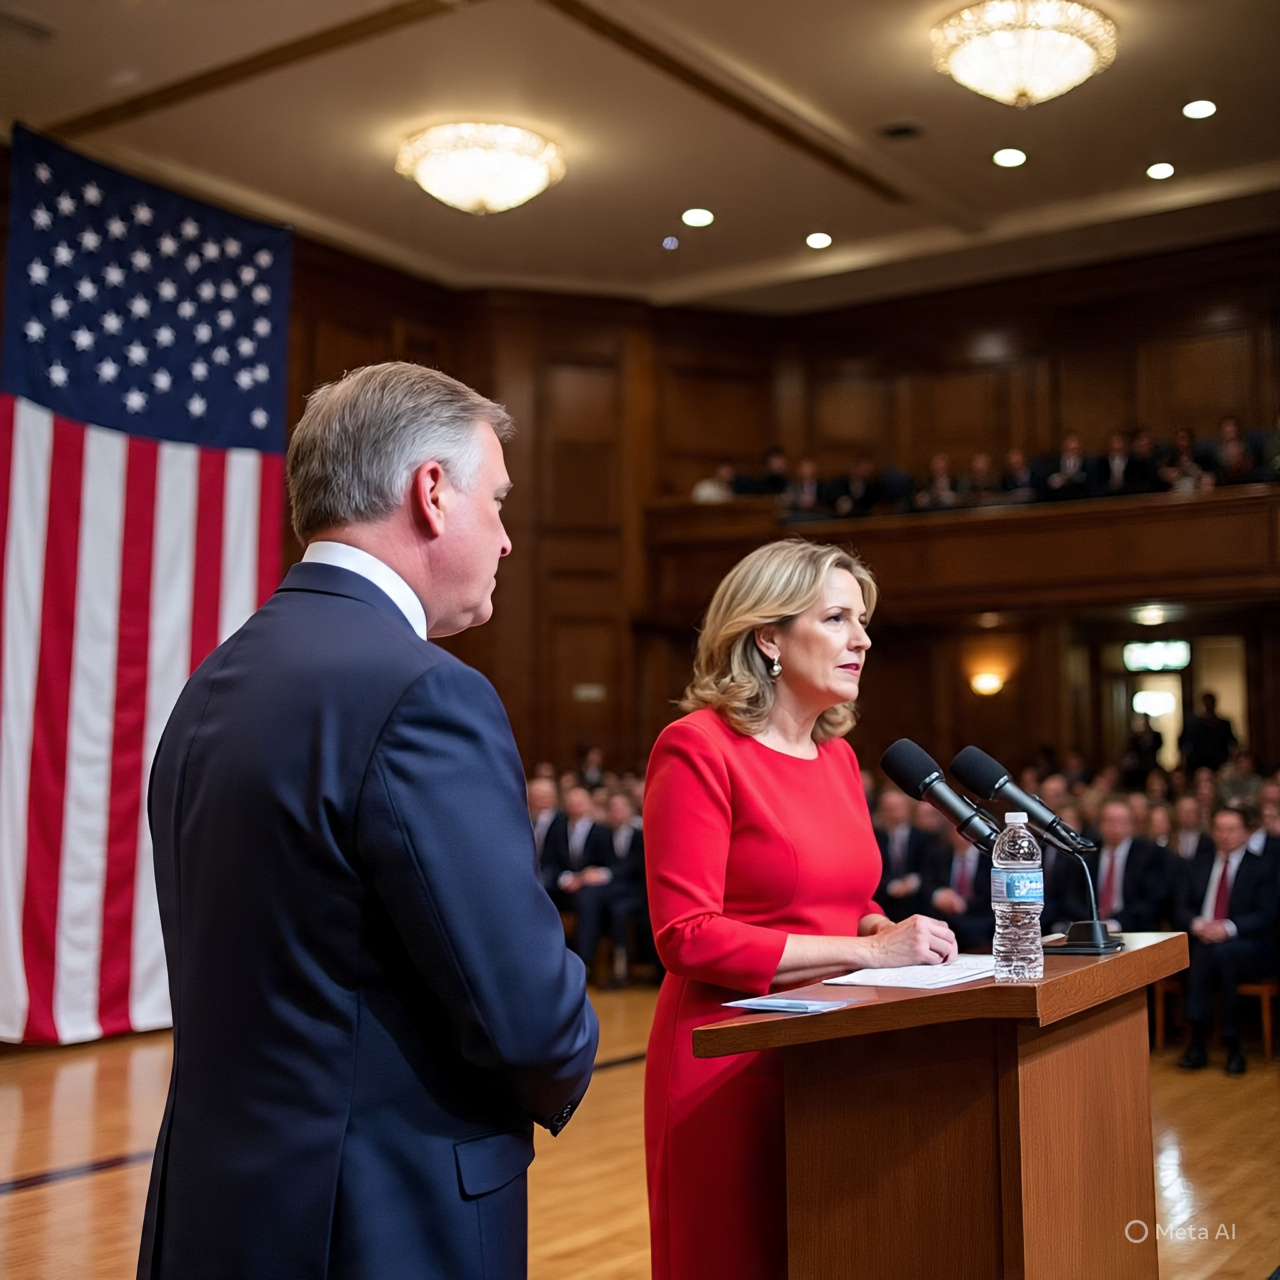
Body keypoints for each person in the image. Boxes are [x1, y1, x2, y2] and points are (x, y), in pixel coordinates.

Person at [138, 362, 599, 1280]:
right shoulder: (426, 694)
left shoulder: (213, 681)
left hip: (214, 1209)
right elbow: (527, 1018)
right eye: (497, 501)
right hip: (380, 1217)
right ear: (432, 492)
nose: (507, 538)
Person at [642, 539, 957, 1280]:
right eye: (838, 618)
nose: (863, 639)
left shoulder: (837, 757)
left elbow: (843, 900)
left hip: (833, 1053)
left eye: (863, 621)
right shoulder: (697, 747)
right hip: (727, 1060)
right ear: (769, 637)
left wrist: (877, 925)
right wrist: (870, 951)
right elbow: (686, 935)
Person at [1173, 805, 1278, 1075]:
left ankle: (1209, 1041)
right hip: (1204, 939)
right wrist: (1198, 924)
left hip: (1250, 945)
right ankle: (1222, 1042)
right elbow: (1180, 907)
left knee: (1220, 953)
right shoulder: (1198, 864)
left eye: (1231, 829)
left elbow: (1267, 914)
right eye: (1219, 829)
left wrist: (1228, 928)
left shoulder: (1262, 867)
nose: (1224, 835)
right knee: (1205, 952)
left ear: (1246, 832)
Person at [1178, 692, 1238, 775]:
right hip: (1196, 763)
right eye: (1206, 702)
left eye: (1210, 702)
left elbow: (1232, 743)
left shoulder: (1224, 724)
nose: (1208, 705)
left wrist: (1232, 761)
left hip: (1219, 763)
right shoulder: (1192, 724)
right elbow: (1184, 744)